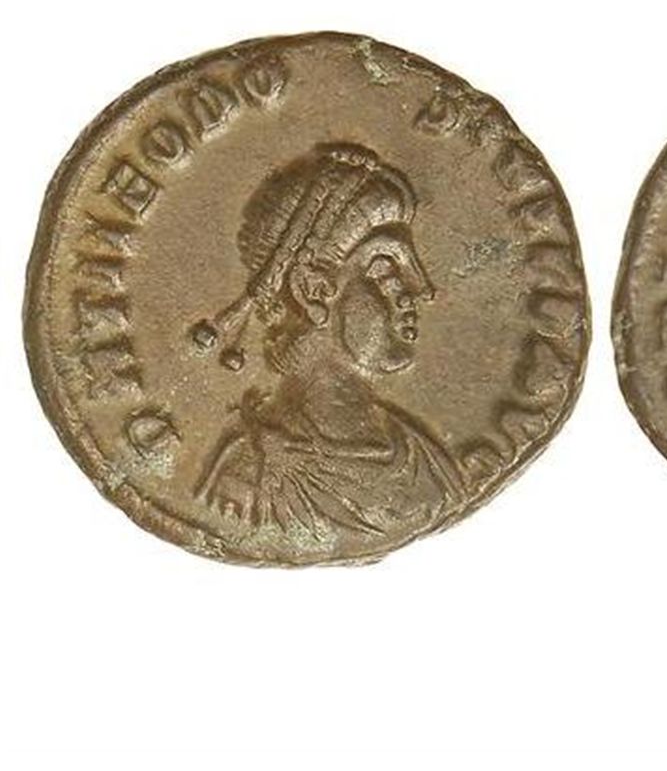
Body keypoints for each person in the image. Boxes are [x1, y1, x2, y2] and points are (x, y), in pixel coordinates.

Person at [191, 143, 463, 537]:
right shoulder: (249, 475)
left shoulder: (424, 457)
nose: (422, 291)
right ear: (312, 290)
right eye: (386, 267)